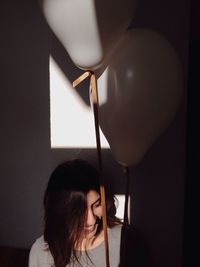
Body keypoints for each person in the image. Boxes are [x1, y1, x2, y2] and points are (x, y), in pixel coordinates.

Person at [28, 159, 123, 267]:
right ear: (60, 211)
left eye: (97, 205)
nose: (91, 220)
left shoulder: (124, 242)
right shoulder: (41, 252)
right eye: (80, 211)